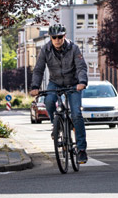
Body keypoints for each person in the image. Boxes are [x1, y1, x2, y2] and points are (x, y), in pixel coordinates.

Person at [30, 23, 89, 164]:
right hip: (55, 82)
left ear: (65, 36)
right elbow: (38, 69)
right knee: (48, 102)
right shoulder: (45, 50)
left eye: (60, 37)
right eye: (54, 37)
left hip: (73, 84)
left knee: (76, 114)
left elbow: (81, 67)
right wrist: (35, 86)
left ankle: (81, 150)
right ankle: (55, 125)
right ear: (50, 38)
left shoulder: (74, 48)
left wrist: (82, 82)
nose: (57, 40)